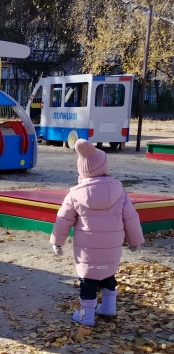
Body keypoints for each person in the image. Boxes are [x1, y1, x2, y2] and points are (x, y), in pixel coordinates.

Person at [51, 139, 145, 327]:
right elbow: (131, 218)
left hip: (87, 249)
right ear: (104, 167)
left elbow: (63, 220)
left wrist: (57, 242)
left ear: (82, 171)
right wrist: (135, 241)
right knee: (108, 275)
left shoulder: (74, 195)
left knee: (88, 281)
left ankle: (86, 315)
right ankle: (109, 307)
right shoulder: (120, 192)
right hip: (112, 247)